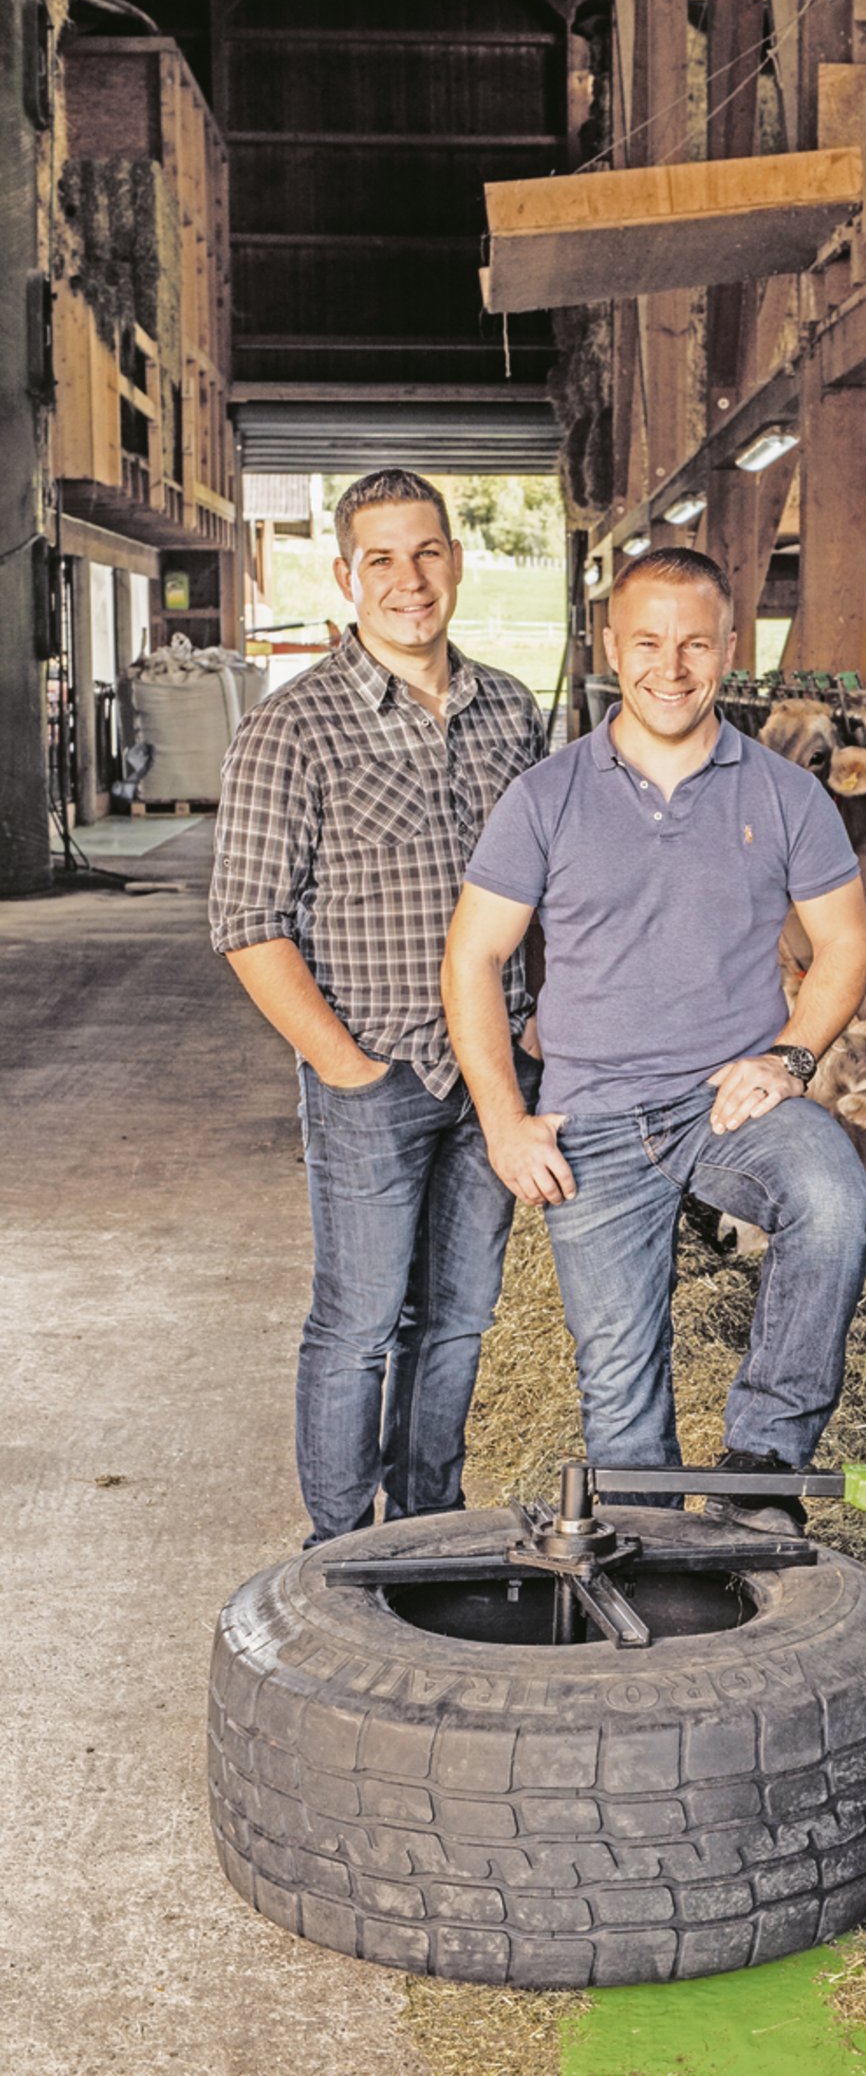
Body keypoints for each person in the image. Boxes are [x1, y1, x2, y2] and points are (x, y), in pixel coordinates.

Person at [441, 547, 866, 1536]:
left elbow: (846, 942)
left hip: (730, 1098)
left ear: (730, 647)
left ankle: (763, 1465)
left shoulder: (784, 794)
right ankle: (654, 1552)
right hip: (588, 1119)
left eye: (694, 645)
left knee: (830, 1195)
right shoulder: (545, 796)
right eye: (647, 643)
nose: (670, 669)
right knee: (619, 1390)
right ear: (611, 646)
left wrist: (790, 1057)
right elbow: (473, 958)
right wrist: (505, 1122)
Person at [209, 467, 546, 1545]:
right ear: (347, 577)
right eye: (383, 560)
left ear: (457, 560)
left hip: (496, 1078)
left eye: (428, 552)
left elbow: (552, 883)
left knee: (457, 1320)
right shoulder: (292, 728)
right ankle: (341, 1549)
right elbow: (247, 922)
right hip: (376, 1073)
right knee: (357, 1324)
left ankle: (427, 1530)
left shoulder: (510, 710)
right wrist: (342, 1064)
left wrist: (539, 1021)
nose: (411, 580)